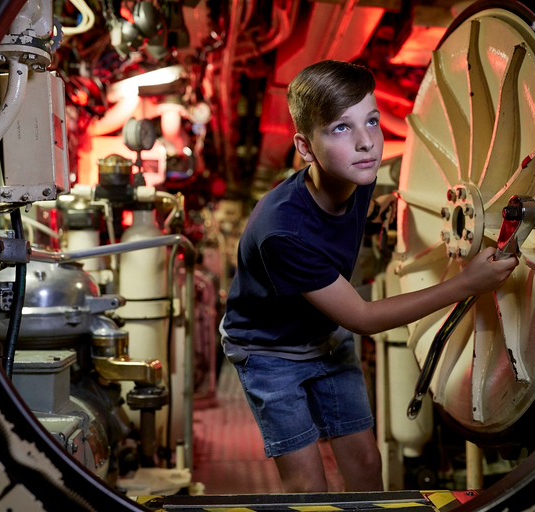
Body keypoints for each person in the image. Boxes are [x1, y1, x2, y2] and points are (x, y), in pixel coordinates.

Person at [220, 60, 518, 493]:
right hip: (270, 353)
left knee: (364, 462)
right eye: (341, 128)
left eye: (372, 121)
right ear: (305, 148)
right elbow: (362, 318)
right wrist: (466, 284)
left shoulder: (359, 176)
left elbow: (395, 187)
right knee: (308, 486)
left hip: (325, 337)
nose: (367, 143)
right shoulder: (282, 230)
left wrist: (382, 208)